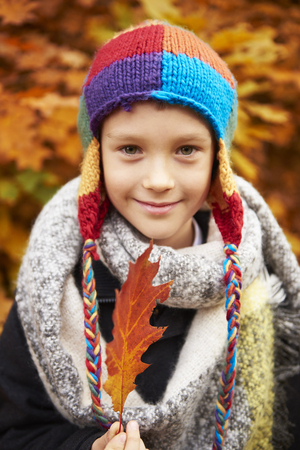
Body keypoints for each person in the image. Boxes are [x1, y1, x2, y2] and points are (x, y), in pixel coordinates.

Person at [0, 19, 300, 450]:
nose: (158, 179)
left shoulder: (261, 275)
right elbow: (16, 430)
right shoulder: (57, 281)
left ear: (218, 161)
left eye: (186, 150)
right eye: (130, 149)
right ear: (96, 158)